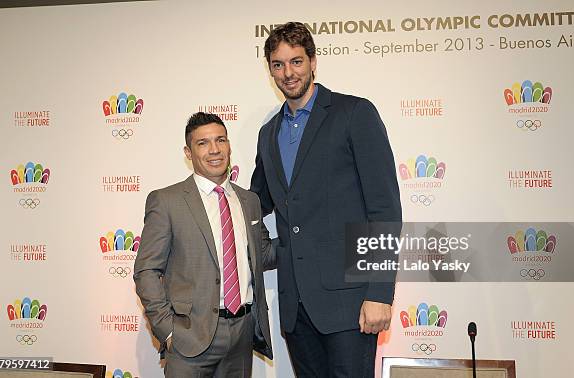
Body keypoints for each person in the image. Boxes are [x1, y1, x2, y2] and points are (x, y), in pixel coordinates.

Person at [250, 22, 402, 377]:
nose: (288, 73)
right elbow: (256, 203)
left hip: (350, 301)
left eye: (296, 61)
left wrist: (380, 292)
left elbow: (384, 208)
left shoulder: (354, 114)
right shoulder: (268, 134)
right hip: (295, 306)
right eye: (278, 64)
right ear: (270, 69)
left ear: (313, 61)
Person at [134, 112, 273, 377]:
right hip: (190, 339)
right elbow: (146, 271)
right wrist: (168, 330)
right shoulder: (167, 201)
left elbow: (264, 253)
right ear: (188, 152)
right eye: (203, 143)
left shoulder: (249, 201)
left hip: (242, 334)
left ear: (229, 145)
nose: (214, 150)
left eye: (220, 140)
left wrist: (310, 239)